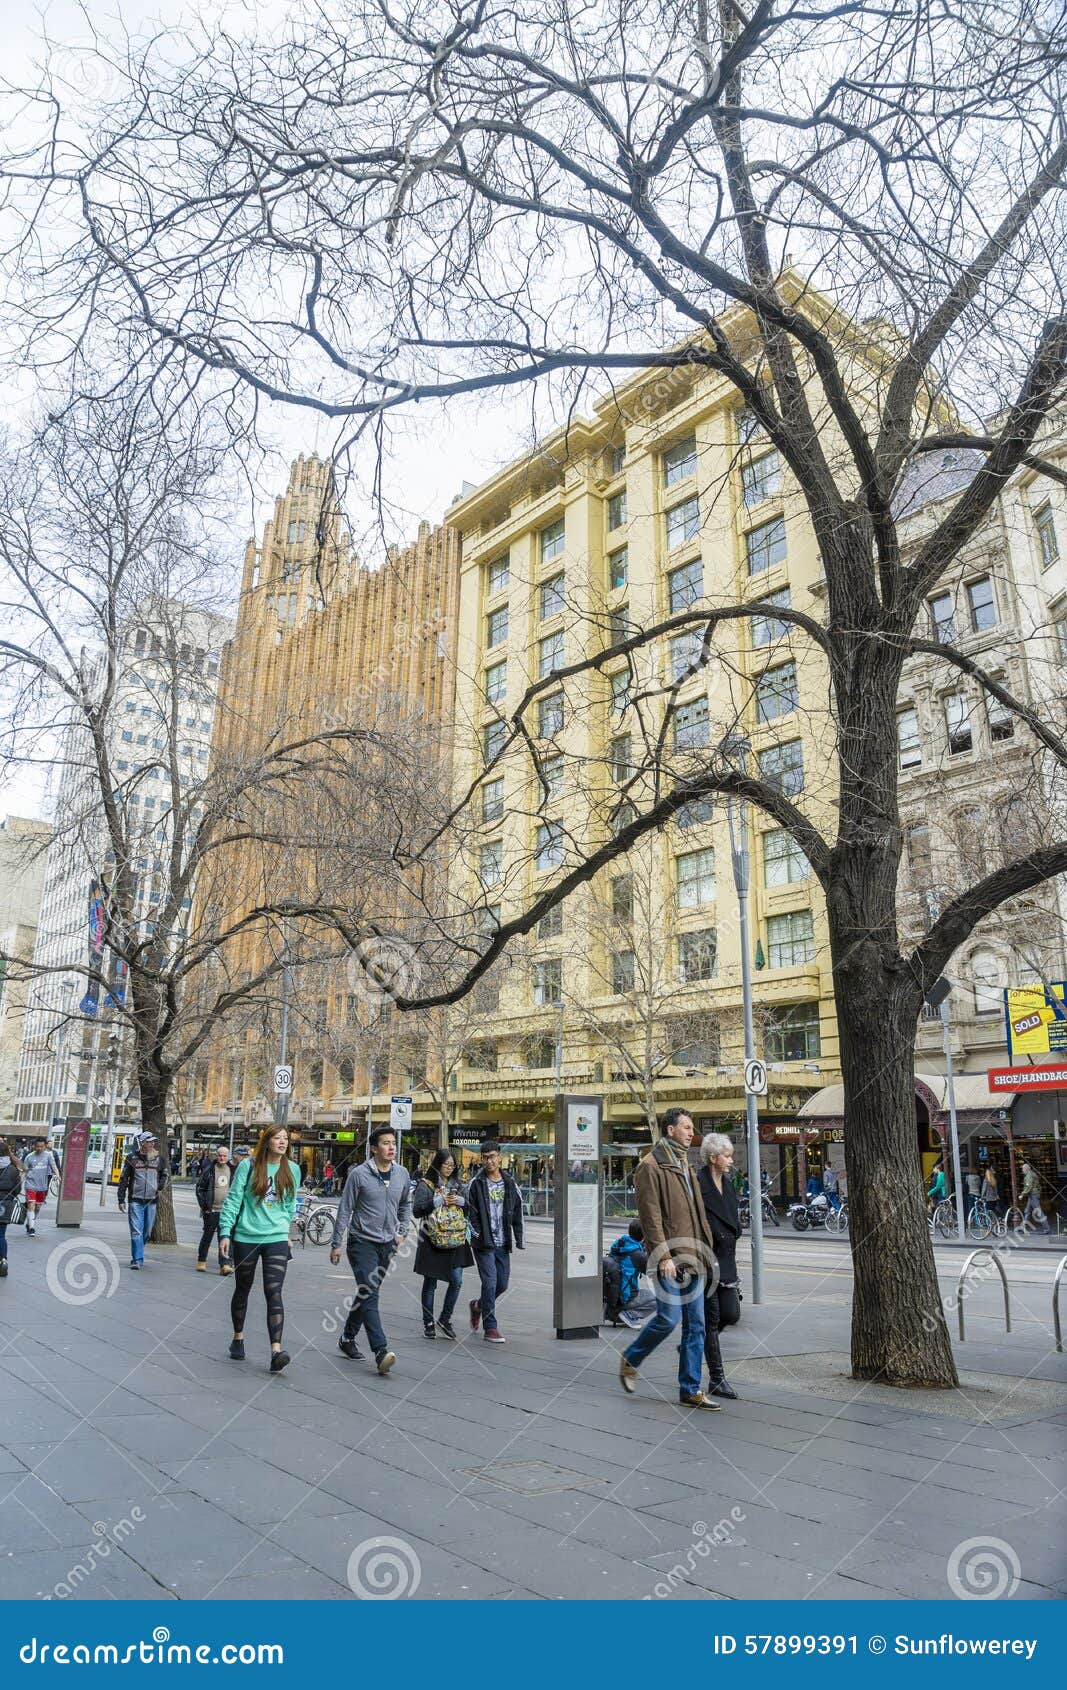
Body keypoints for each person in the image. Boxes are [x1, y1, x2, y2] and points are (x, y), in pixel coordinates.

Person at [618, 1108, 721, 1411]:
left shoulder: (684, 1163)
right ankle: (631, 1358)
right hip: (669, 1258)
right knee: (668, 1319)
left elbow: (696, 1210)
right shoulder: (650, 1166)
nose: (692, 1132)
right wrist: (663, 1255)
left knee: (697, 1325)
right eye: (686, 1127)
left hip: (694, 1255)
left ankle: (690, 1389)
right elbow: (650, 1218)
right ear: (670, 1130)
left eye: (692, 1128)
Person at [330, 1127, 412, 1375]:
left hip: (387, 1243)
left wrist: (402, 1232)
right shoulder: (359, 1175)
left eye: (393, 1143)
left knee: (366, 1293)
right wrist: (336, 1243)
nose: (391, 1147)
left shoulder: (402, 1174)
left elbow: (406, 1203)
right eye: (385, 1143)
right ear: (374, 1148)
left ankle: (347, 1338)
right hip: (361, 1242)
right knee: (370, 1293)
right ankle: (380, 1351)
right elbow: (345, 1209)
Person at [219, 1125, 301, 1372]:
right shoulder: (249, 1166)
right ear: (267, 1141)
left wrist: (286, 1232)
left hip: (275, 1236)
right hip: (247, 1236)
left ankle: (276, 1351)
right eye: (277, 1138)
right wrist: (225, 1232)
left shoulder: (293, 1169)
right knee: (242, 1288)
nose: (282, 1142)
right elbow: (234, 1199)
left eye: (286, 1138)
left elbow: (289, 1205)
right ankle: (238, 1337)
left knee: (274, 1292)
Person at [697, 1133, 743, 1399]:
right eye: (726, 1156)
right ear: (713, 1158)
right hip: (707, 1259)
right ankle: (717, 1378)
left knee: (730, 1313)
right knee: (713, 1319)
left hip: (727, 1259)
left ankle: (701, 1340)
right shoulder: (698, 1183)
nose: (730, 1160)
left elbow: (733, 1217)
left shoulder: (727, 1182)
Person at [466, 1141, 524, 1344]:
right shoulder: (476, 1183)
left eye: (492, 1156)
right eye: (485, 1157)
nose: (489, 1161)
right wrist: (477, 1235)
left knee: (502, 1284)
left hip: (502, 1242)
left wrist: (519, 1237)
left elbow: (518, 1210)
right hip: (484, 1243)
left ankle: (477, 1305)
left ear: (499, 1156)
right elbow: (469, 1213)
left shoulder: (509, 1182)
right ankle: (490, 1328)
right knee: (489, 1283)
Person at [412, 1147, 473, 1339]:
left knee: (457, 1280)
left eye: (452, 1165)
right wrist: (436, 1202)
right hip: (432, 1237)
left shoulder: (458, 1184)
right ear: (437, 1164)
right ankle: (428, 1322)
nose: (449, 1168)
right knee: (430, 1282)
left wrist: (461, 1201)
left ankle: (445, 1319)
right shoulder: (426, 1184)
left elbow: (470, 1209)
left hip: (455, 1239)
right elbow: (417, 1210)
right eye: (446, 1164)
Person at [117, 1133, 168, 1269]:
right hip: (135, 1201)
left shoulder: (158, 1159)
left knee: (147, 1232)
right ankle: (137, 1260)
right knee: (136, 1232)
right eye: (149, 1142)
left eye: (153, 1142)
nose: (152, 1144)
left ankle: (138, 1248)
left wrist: (160, 1186)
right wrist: (121, 1199)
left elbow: (165, 1174)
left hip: (151, 1201)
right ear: (142, 1143)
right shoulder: (131, 1158)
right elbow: (123, 1180)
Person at [195, 1144, 234, 1274]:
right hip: (211, 1211)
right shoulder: (209, 1170)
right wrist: (205, 1206)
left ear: (228, 1157)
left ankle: (225, 1264)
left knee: (224, 1238)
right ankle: (201, 1261)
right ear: (216, 1156)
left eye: (224, 1156)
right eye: (220, 1155)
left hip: (226, 1212)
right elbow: (200, 1188)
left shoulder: (232, 1170)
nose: (222, 1158)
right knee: (207, 1237)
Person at [22, 1137, 60, 1236]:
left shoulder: (49, 1155)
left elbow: (54, 1166)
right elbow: (24, 1171)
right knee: (31, 1204)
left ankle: (29, 1221)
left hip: (42, 1186)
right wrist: (20, 1181)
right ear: (34, 1146)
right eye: (37, 1146)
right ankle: (31, 1228)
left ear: (45, 1146)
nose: (39, 1148)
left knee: (37, 1207)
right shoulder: (29, 1157)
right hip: (30, 1185)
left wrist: (57, 1175)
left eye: (42, 1146)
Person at [0, 1140, 24, 1278]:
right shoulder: (13, 1169)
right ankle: (3, 1260)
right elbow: (18, 1190)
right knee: (1, 1235)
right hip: (5, 1207)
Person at [1019, 1161, 1051, 1235]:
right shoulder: (1033, 1174)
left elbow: (1028, 1187)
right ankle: (1022, 1227)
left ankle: (1047, 1229)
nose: (1022, 1171)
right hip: (1033, 1195)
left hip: (1033, 1195)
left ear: (1026, 1169)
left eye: (1023, 1169)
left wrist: (1022, 1194)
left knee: (1039, 1213)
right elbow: (1039, 1186)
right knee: (1027, 1211)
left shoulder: (1029, 1176)